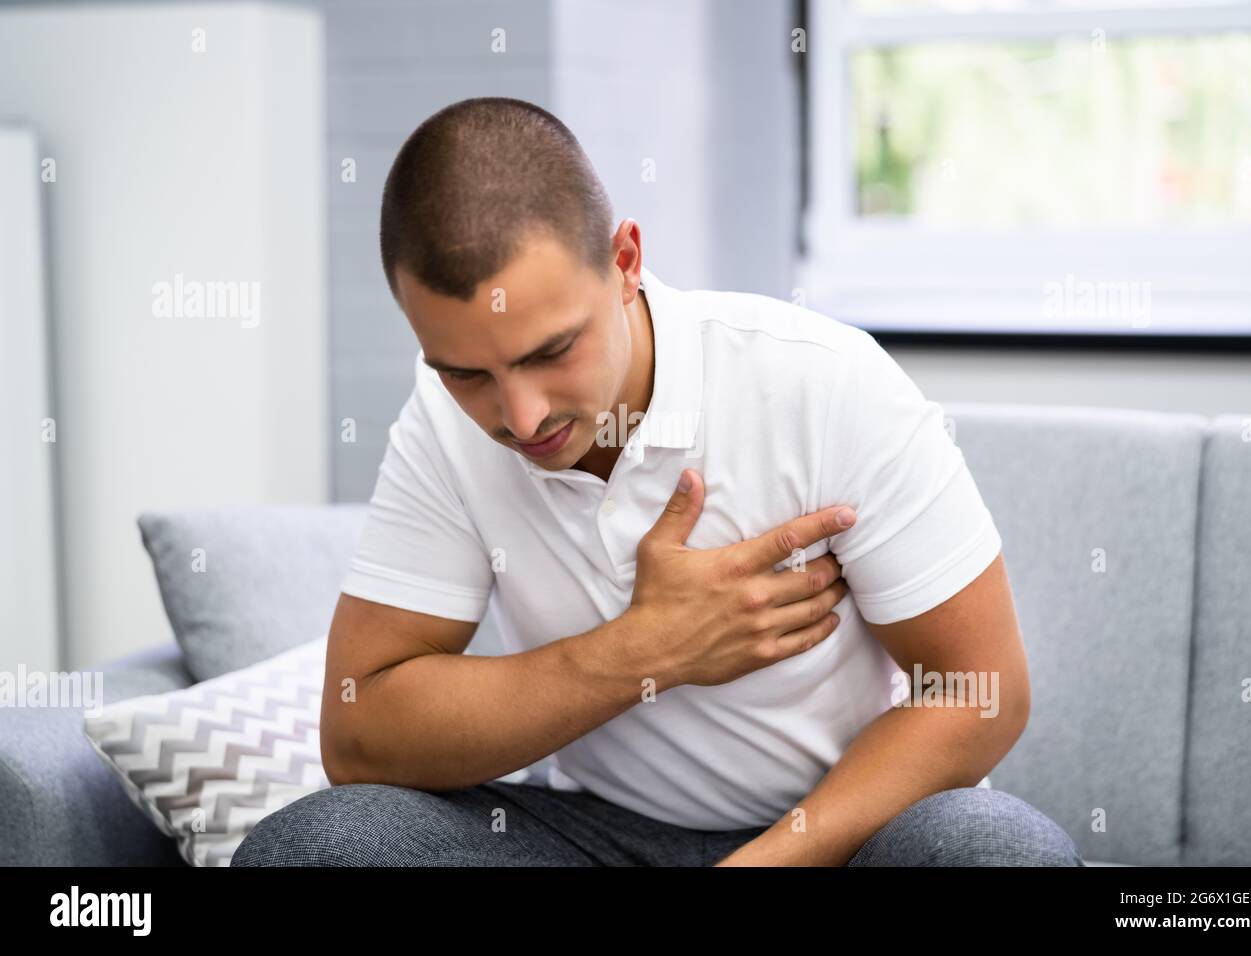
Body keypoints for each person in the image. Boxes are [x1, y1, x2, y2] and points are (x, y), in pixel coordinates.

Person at [232, 96, 1083, 867]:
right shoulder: (441, 420)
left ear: (626, 259)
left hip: (836, 837)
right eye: (467, 373)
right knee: (315, 851)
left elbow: (985, 693)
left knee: (1000, 852)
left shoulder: (822, 381)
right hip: (592, 834)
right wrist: (645, 651)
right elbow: (361, 734)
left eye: (550, 351)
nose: (521, 418)